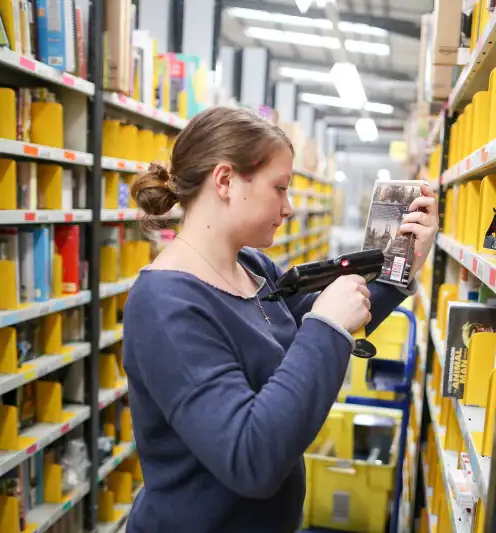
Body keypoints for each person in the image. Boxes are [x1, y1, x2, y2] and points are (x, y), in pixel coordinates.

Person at [122, 107, 438, 533]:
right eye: (280, 188)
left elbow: (312, 327)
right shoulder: (165, 304)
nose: (289, 207)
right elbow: (249, 458)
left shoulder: (251, 266)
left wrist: (404, 266)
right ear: (225, 181)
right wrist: (327, 328)